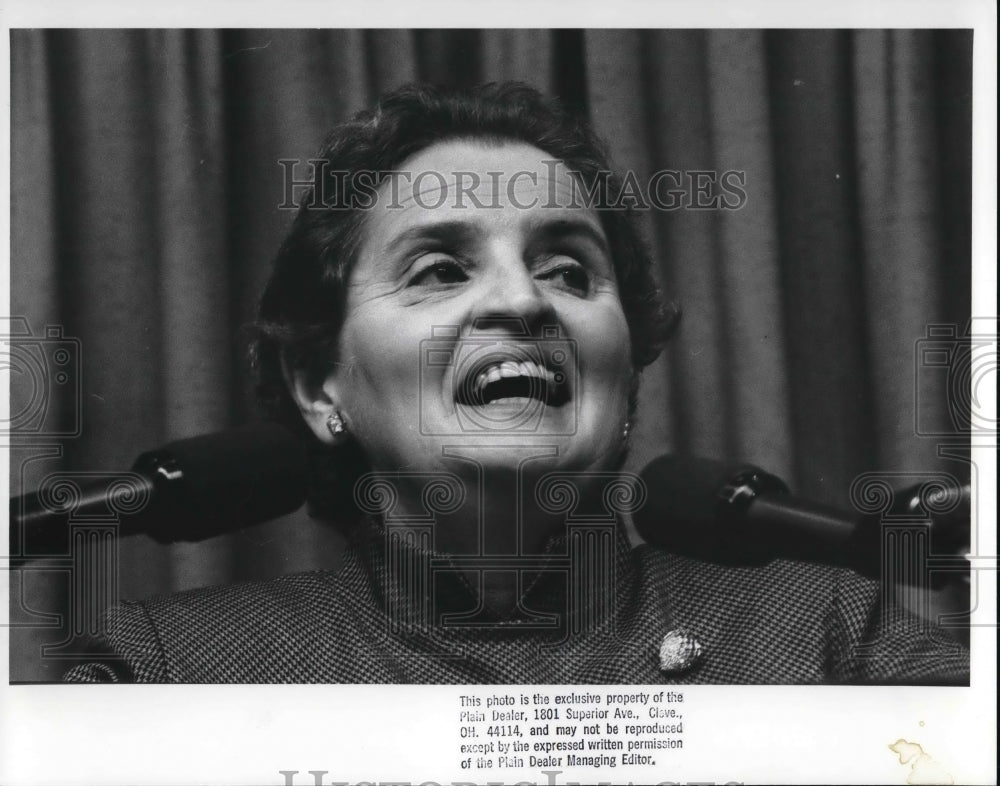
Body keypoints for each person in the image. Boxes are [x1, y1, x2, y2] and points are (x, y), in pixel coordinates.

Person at [64, 82, 968, 684]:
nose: (522, 301)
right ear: (319, 386)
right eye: (440, 270)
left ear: (629, 354)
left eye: (571, 271)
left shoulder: (835, 636)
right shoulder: (175, 668)